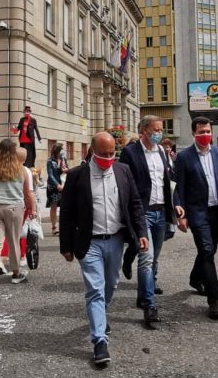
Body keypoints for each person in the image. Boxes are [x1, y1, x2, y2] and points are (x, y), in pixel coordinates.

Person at [59, 132, 148, 368]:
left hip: (116, 239)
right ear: (92, 151)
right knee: (95, 290)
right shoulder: (78, 175)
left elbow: (134, 204)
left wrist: (141, 233)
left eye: (112, 153)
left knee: (111, 284)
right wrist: (66, 246)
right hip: (89, 243)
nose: (109, 158)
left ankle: (100, 314)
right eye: (104, 154)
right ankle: (99, 341)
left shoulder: (122, 171)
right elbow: (66, 212)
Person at [173, 117, 218, 320]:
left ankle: (196, 278)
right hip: (197, 212)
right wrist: (181, 215)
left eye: (208, 131)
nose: (205, 135)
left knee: (209, 250)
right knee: (206, 250)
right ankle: (214, 300)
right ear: (194, 134)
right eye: (201, 132)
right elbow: (177, 187)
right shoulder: (184, 157)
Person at [118, 115, 173, 326]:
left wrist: (174, 203)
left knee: (154, 258)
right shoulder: (130, 152)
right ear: (144, 131)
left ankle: (142, 296)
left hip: (160, 212)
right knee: (147, 258)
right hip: (142, 212)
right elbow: (123, 183)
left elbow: (167, 180)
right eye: (155, 129)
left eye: (161, 129)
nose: (159, 132)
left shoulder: (161, 151)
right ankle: (150, 306)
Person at [0, 138, 37, 293]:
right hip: (14, 208)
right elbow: (27, 192)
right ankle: (16, 273)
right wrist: (32, 208)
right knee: (13, 241)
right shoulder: (21, 169)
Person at [46, 143, 67, 235]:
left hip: (63, 185)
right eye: (62, 149)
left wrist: (66, 169)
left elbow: (67, 169)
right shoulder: (50, 161)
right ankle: (54, 227)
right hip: (53, 187)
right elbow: (50, 175)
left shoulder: (63, 159)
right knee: (54, 206)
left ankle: (63, 226)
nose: (63, 151)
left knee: (64, 207)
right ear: (57, 151)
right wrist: (57, 185)